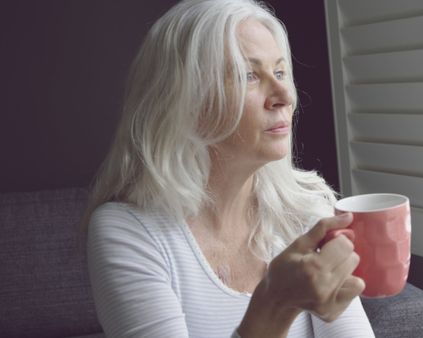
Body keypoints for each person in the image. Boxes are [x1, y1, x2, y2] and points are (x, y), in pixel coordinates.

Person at [83, 0, 375, 337]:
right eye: (248, 75)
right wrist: (275, 304)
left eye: (280, 72)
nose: (284, 95)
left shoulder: (306, 214)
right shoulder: (129, 232)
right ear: (185, 100)